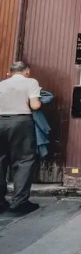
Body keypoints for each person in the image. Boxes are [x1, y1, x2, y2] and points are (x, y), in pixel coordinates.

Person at [0, 61, 42, 215]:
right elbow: (35, 105)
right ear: (27, 71)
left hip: (0, 121)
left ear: (10, 72)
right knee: (23, 161)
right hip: (20, 123)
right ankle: (19, 202)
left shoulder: (2, 84)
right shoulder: (30, 82)